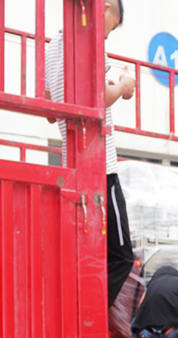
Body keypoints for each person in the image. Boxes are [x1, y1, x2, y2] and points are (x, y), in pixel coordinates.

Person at [45, 0, 136, 309]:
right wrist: (123, 86)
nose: (107, 35)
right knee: (122, 256)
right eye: (111, 27)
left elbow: (50, 111)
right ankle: (89, 317)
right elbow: (97, 99)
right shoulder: (90, 42)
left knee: (83, 255)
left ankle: (78, 313)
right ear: (104, 8)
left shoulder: (52, 48)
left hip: (71, 166)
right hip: (101, 166)